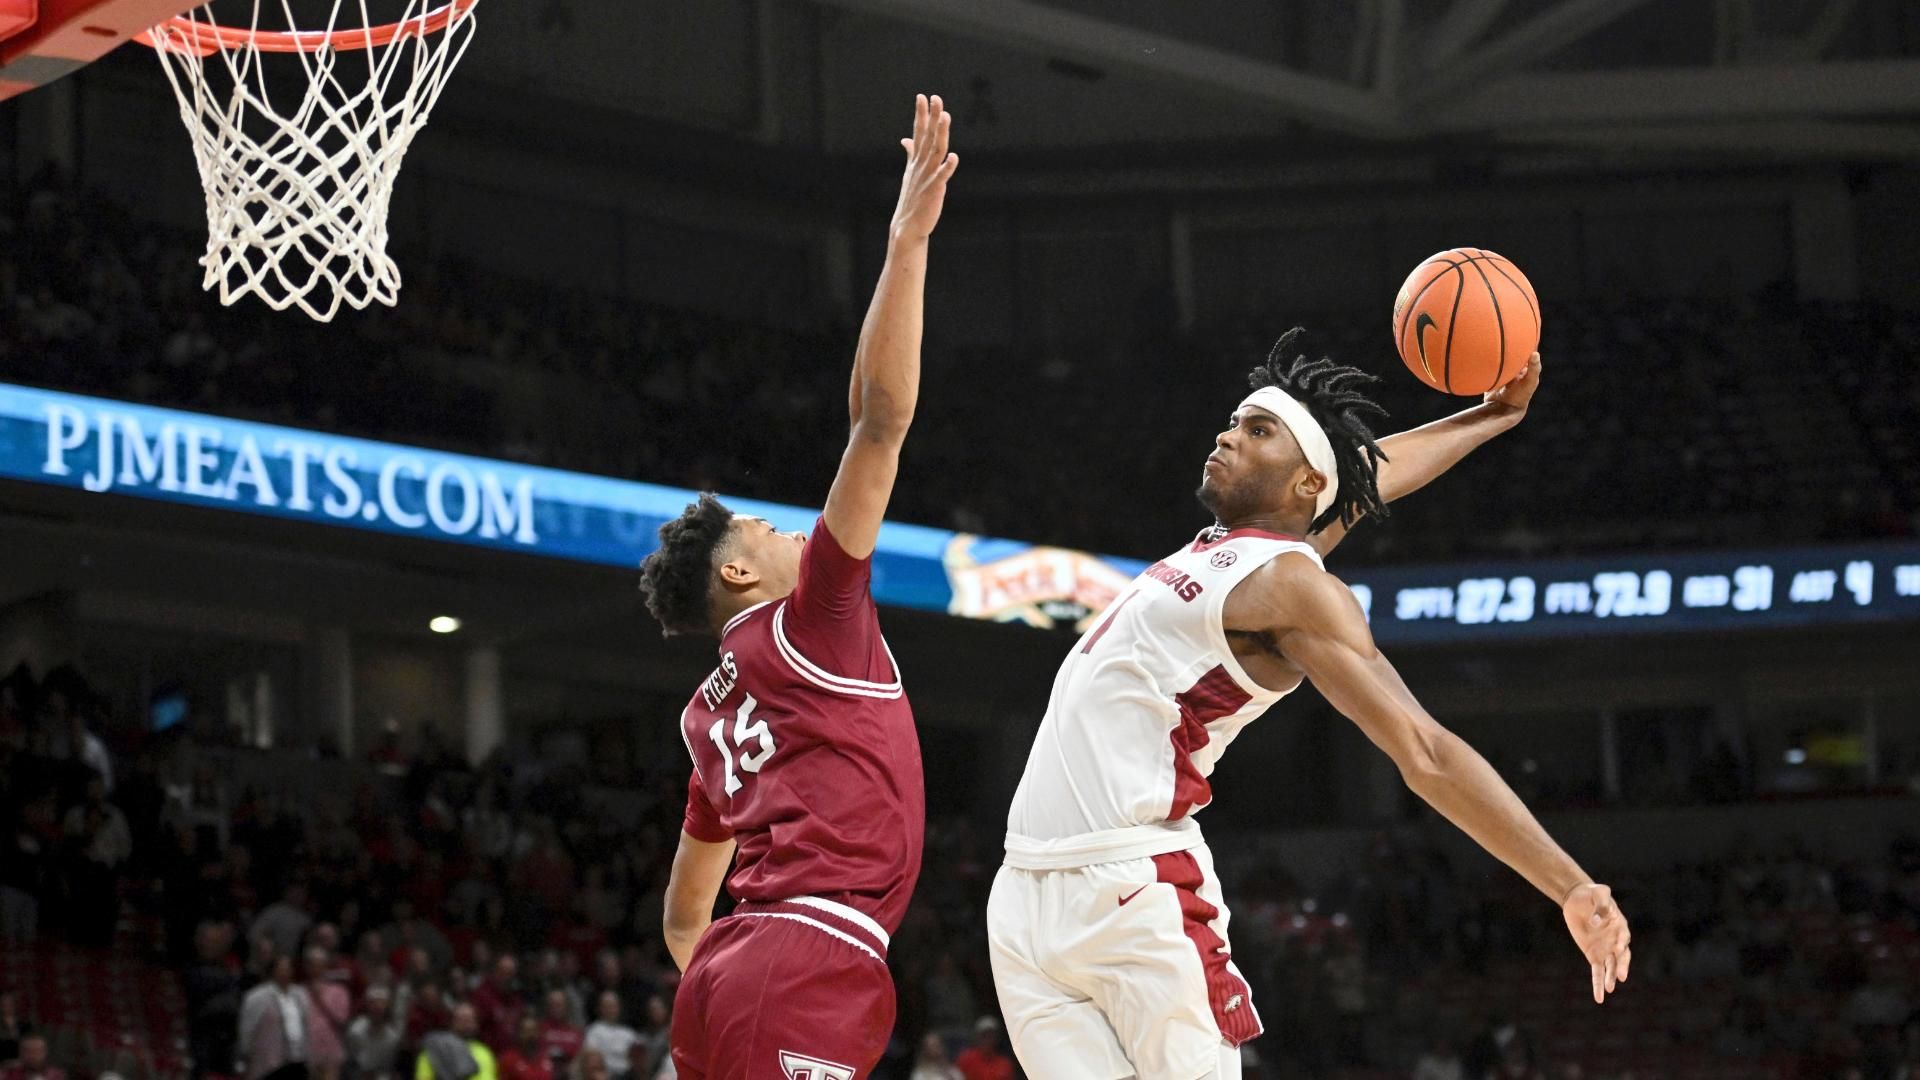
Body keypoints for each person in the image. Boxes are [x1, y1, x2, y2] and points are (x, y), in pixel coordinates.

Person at [986, 340, 1633, 1079]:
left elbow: (1424, 751)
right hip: (1025, 893)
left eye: (1258, 430)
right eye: (1235, 421)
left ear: (1304, 482)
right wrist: (1491, 417)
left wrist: (1570, 886)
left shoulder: (1291, 588)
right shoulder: (1223, 550)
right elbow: (1365, 476)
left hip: (1132, 893)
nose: (1227, 433)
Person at [640, 92, 957, 1080]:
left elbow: (687, 914)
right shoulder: (808, 624)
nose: (791, 530)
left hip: (744, 966)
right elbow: (880, 420)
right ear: (738, 571)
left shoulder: (712, 711)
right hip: (803, 954)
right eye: (768, 528)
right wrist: (906, 242)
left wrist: (734, 987)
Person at [61, 771, 131, 947]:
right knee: (79, 920)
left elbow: (124, 847)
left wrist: (118, 871)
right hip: (81, 872)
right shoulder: (75, 815)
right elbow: (67, 844)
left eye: (99, 787)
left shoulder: (116, 816)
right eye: (92, 787)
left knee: (103, 921)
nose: (96, 791)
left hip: (106, 874)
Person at [239, 955, 311, 1080]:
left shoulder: (300, 994)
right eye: (281, 969)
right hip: (269, 1062)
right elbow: (247, 1028)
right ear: (273, 971)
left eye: (288, 969)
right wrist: (245, 1052)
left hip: (298, 1059)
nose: (285, 973)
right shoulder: (257, 997)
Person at [304, 946, 351, 1080]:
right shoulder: (300, 992)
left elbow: (342, 1020)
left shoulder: (339, 991)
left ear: (325, 966)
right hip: (308, 1051)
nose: (316, 969)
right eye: (312, 965)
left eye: (319, 965)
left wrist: (320, 998)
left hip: (331, 1049)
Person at [416, 1005, 497, 1080]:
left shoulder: (485, 1051)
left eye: (470, 1019)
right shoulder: (436, 1048)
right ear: (451, 1022)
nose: (466, 1024)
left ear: (476, 1023)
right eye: (462, 1019)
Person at [344, 986, 405, 1080]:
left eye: (382, 1003)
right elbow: (351, 1060)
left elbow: (390, 1065)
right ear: (367, 1006)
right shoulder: (355, 1031)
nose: (378, 1007)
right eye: (373, 1003)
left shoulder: (393, 1037)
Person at [581, 994, 637, 1080]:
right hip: (605, 1075)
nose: (610, 1010)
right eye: (607, 1006)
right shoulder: (594, 1031)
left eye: (613, 1006)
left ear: (619, 1008)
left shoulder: (629, 1033)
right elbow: (591, 1059)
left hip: (627, 1075)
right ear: (601, 1009)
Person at [536, 991, 583, 1068]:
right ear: (548, 1007)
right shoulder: (540, 1029)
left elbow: (579, 1058)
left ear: (566, 1006)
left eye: (559, 1005)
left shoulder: (575, 1032)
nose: (555, 1008)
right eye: (552, 1004)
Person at [0, 1034, 64, 1080]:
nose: (32, 1055)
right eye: (27, 1051)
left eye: (37, 1051)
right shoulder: (8, 1073)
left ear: (45, 1053)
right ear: (20, 1052)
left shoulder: (56, 1075)